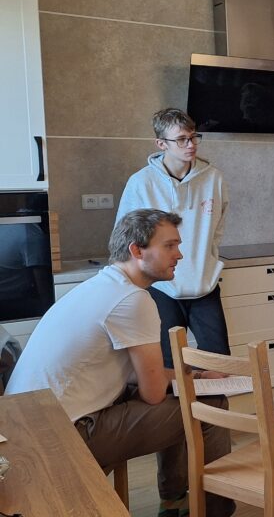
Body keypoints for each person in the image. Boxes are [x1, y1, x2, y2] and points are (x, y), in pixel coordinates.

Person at [5, 209, 234, 517]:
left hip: (27, 423)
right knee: (209, 404)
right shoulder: (133, 300)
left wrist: (197, 375)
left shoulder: (98, 286)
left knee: (183, 393)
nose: (179, 254)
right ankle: (213, 511)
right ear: (137, 250)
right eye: (169, 246)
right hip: (63, 436)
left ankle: (175, 501)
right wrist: (198, 382)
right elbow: (153, 393)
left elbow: (143, 377)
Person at [116, 108, 230, 369]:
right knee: (167, 365)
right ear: (161, 144)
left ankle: (211, 398)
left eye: (193, 137)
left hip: (204, 284)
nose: (190, 145)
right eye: (181, 139)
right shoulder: (141, 183)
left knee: (220, 364)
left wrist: (207, 258)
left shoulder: (214, 178)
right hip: (160, 288)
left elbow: (218, 228)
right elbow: (125, 237)